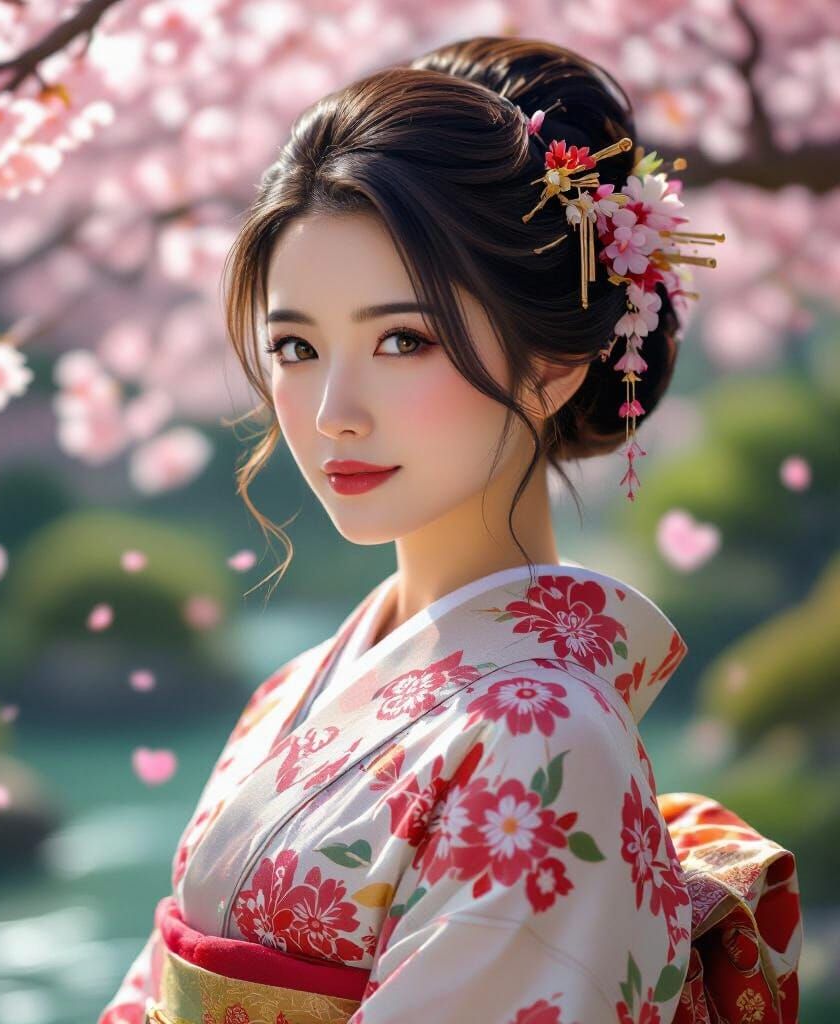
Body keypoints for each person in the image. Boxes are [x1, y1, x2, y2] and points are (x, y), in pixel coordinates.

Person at [98, 36, 802, 1024]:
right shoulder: (293, 688)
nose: (334, 412)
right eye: (295, 346)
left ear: (550, 366)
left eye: (403, 339)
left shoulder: (548, 745)